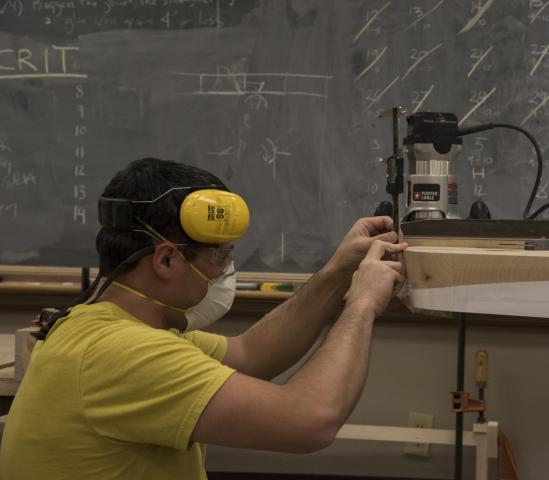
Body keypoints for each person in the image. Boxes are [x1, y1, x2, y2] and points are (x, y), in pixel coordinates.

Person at [0, 158, 407, 479]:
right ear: (165, 259)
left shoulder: (107, 327)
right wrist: (361, 306)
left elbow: (252, 354)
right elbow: (310, 420)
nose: (224, 273)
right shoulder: (123, 353)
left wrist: (339, 273)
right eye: (219, 258)